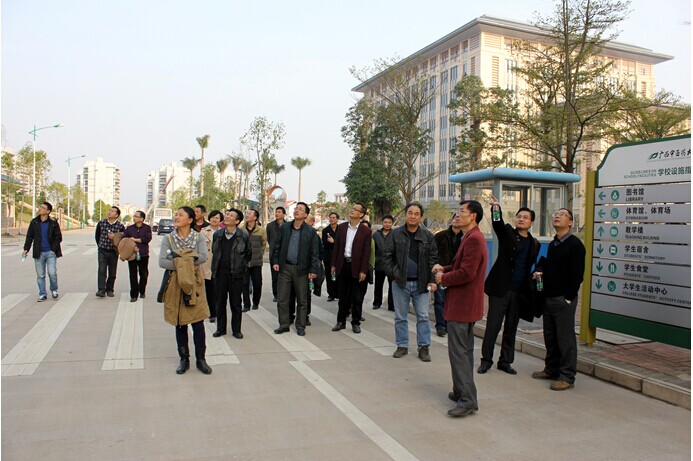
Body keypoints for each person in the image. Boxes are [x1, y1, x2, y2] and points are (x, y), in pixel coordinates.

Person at [433, 200, 488, 417]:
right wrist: (445, 268)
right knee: (462, 351)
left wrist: (443, 278)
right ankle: (460, 391)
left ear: (473, 216)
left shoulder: (474, 239)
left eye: (462, 211)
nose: (458, 214)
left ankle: (467, 400)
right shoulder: (470, 236)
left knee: (459, 353)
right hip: (464, 304)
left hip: (463, 305)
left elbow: (467, 273)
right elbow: (460, 266)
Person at [479, 199, 538, 375]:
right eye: (519, 216)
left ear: (531, 223)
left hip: (518, 292)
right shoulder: (507, 233)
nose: (521, 219)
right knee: (493, 326)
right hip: (500, 289)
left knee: (511, 328)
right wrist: (496, 208)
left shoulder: (534, 243)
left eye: (525, 217)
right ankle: (486, 360)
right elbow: (497, 222)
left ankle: (505, 361)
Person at [532, 208, 586, 391]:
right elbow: (550, 265)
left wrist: (569, 298)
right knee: (551, 337)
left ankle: (567, 376)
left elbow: (577, 274)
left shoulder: (575, 245)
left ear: (570, 222)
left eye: (562, 215)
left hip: (563, 300)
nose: (557, 216)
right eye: (556, 214)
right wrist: (540, 269)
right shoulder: (554, 244)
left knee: (565, 339)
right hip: (549, 297)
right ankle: (551, 369)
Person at [159, 206, 212, 375]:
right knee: (180, 322)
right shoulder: (168, 238)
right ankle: (184, 359)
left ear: (190, 220)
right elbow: (163, 261)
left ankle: (201, 359)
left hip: (195, 282)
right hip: (175, 283)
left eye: (181, 215)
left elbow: (203, 257)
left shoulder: (198, 237)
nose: (177, 217)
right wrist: (188, 260)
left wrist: (179, 259)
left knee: (198, 322)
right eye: (177, 214)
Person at [383, 202, 437, 362]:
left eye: (416, 214)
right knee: (400, 317)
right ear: (405, 215)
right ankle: (402, 345)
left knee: (423, 316)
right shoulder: (395, 234)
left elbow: (433, 260)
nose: (413, 216)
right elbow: (386, 256)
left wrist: (432, 280)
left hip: (421, 284)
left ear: (421, 217)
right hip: (400, 283)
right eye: (410, 213)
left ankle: (424, 347)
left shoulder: (428, 236)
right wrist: (394, 274)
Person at [271, 202, 320, 337]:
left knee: (302, 300)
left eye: (300, 209)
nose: (297, 210)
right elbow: (277, 245)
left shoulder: (310, 231)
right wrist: (276, 261)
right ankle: (284, 324)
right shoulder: (285, 227)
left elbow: (314, 253)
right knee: (282, 298)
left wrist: (313, 270)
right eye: (296, 208)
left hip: (301, 270)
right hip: (285, 268)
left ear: (305, 214)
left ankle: (300, 325)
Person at [330, 202, 371, 334]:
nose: (352, 210)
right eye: (352, 208)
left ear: (361, 214)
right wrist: (333, 264)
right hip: (343, 265)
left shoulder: (366, 231)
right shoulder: (342, 227)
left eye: (355, 209)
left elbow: (366, 252)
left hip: (357, 267)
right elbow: (336, 248)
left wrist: (363, 270)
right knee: (342, 296)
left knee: (357, 297)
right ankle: (341, 321)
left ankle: (356, 322)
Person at [210, 208, 251, 339]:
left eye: (231, 215)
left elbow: (248, 254)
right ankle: (220, 329)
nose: (227, 217)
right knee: (220, 303)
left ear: (237, 221)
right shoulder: (218, 234)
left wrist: (241, 266)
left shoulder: (243, 236)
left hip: (236, 275)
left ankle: (236, 330)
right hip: (220, 273)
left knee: (236, 303)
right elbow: (215, 252)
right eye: (227, 214)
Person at [23, 201, 63, 302]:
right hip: (39, 252)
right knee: (40, 275)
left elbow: (58, 237)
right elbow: (29, 237)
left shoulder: (53, 223)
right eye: (40, 207)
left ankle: (54, 290)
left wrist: (53, 250)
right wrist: (26, 249)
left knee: (52, 273)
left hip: (50, 253)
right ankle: (42, 294)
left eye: (42, 208)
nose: (39, 209)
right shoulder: (34, 222)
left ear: (48, 211)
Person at [432, 213, 464, 337]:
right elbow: (432, 253)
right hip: (441, 271)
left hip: (456, 273)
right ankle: (440, 326)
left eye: (460, 218)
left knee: (452, 301)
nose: (457, 220)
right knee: (440, 300)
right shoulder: (440, 236)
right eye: (455, 217)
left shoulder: (465, 238)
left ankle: (449, 324)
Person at [95, 206, 126, 298]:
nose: (109, 212)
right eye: (109, 210)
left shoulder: (120, 226)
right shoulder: (101, 223)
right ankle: (101, 290)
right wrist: (100, 245)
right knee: (102, 270)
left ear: (117, 215)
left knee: (112, 272)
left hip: (113, 252)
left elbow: (123, 239)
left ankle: (110, 289)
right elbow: (97, 236)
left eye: (112, 211)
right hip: (102, 250)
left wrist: (114, 237)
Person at [241, 209, 267, 311]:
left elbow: (263, 244)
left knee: (257, 283)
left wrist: (259, 254)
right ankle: (246, 304)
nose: (246, 215)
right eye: (246, 213)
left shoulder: (261, 230)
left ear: (255, 217)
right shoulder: (241, 229)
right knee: (244, 283)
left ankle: (256, 302)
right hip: (244, 262)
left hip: (256, 262)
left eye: (249, 214)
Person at [123, 210, 152, 302]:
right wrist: (132, 245)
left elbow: (147, 239)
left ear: (141, 219)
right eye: (134, 216)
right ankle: (133, 295)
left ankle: (142, 290)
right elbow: (125, 239)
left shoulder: (147, 228)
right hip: (132, 254)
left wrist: (135, 240)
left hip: (143, 254)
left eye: (136, 216)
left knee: (143, 274)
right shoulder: (129, 228)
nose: (134, 217)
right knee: (133, 275)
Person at [200, 209, 223, 323]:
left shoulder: (224, 232)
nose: (214, 219)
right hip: (207, 264)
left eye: (217, 218)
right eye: (213, 217)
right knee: (210, 289)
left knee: (219, 290)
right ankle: (212, 313)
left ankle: (219, 310)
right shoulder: (203, 232)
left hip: (220, 264)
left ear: (220, 220)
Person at [372, 215, 394, 311]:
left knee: (392, 286)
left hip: (391, 265)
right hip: (379, 264)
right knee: (378, 285)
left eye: (389, 222)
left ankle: (391, 305)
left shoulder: (395, 234)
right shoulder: (376, 235)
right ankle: (377, 303)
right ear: (382, 223)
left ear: (392, 224)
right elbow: (373, 250)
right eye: (385, 222)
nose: (387, 224)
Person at [266, 206, 286, 302]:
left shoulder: (288, 225)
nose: (277, 213)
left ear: (284, 214)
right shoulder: (270, 226)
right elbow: (269, 239)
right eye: (276, 211)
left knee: (284, 276)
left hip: (285, 254)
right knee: (275, 277)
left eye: (279, 212)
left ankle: (284, 294)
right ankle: (276, 294)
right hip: (274, 254)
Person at [322, 212, 339, 302]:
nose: (331, 219)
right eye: (330, 217)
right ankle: (331, 294)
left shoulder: (341, 229)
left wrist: (334, 241)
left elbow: (342, 243)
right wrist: (330, 242)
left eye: (333, 217)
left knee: (338, 276)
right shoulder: (326, 230)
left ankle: (338, 293)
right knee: (329, 276)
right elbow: (324, 243)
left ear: (337, 219)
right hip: (328, 256)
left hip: (338, 256)